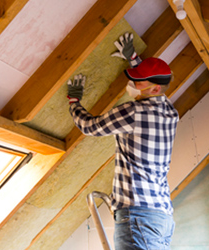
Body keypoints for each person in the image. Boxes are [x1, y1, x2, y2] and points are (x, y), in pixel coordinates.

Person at [66, 33, 179, 249]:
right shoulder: (170, 112)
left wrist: (74, 102)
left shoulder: (133, 112)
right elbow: (153, 83)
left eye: (138, 80)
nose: (131, 83)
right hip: (161, 216)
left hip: (138, 216)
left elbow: (90, 127)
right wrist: (133, 59)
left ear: (154, 89)